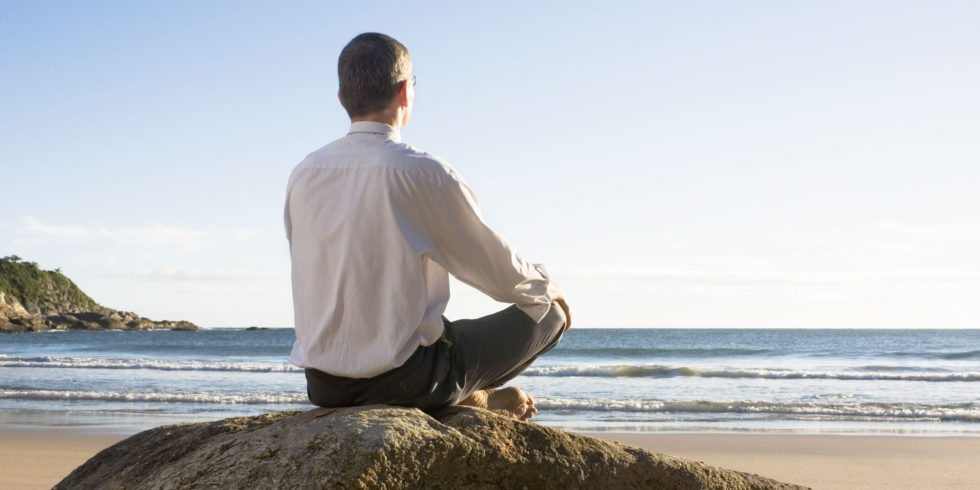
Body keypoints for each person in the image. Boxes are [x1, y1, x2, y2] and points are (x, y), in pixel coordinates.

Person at [284, 32, 571, 421]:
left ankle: (470, 395)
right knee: (550, 313)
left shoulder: (304, 174)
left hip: (324, 385)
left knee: (439, 330)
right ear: (405, 91)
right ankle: (469, 396)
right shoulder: (423, 172)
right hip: (406, 380)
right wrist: (542, 283)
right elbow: (493, 268)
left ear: (342, 99)